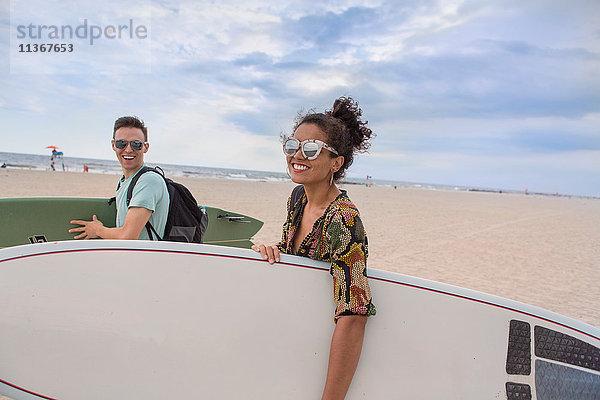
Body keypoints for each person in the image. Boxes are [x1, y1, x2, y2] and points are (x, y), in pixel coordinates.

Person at [252, 96, 376, 400]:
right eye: (293, 146)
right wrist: (272, 250)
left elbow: (354, 314)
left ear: (336, 162)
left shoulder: (344, 220)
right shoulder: (298, 198)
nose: (298, 155)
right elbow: (293, 257)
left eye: (311, 150)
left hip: (323, 350)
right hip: (295, 343)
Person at [69, 116, 169, 240]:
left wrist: (98, 230)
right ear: (113, 145)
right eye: (121, 143)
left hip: (142, 258)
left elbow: (128, 236)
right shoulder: (124, 182)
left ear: (145, 147)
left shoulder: (148, 180)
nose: (128, 149)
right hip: (127, 256)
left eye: (136, 144)